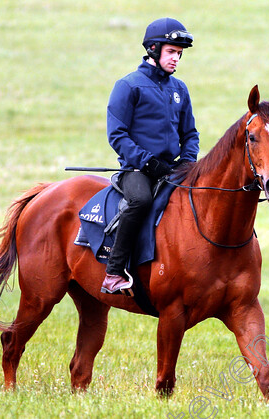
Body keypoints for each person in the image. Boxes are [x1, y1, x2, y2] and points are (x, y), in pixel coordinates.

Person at [101, 17, 200, 295]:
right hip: (136, 171)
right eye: (171, 52)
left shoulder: (179, 89)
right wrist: (147, 162)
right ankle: (114, 271)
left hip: (172, 169)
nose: (176, 59)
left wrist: (188, 161)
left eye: (179, 54)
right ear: (154, 49)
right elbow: (117, 135)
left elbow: (190, 133)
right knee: (141, 200)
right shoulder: (128, 85)